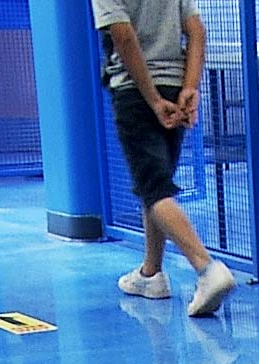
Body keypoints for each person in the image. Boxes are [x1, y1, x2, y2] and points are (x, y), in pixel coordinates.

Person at [97, 0, 237, 317]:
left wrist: (153, 100)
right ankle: (152, 273)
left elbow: (124, 37)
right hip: (175, 86)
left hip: (137, 92)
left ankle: (206, 269)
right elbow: (197, 31)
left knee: (155, 188)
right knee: (155, 182)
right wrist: (190, 87)